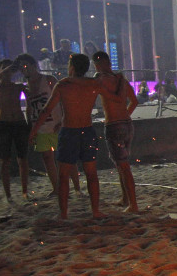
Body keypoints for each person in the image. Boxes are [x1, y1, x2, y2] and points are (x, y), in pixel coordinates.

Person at [29, 54, 107, 220]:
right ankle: (95, 211)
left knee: (63, 175)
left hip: (70, 132)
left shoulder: (64, 85)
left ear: (71, 66)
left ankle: (63, 213)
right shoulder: (93, 84)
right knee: (91, 174)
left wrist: (34, 130)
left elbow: (46, 110)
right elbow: (111, 95)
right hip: (87, 130)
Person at [18, 53, 80, 196]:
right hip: (39, 125)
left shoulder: (48, 80)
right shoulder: (27, 86)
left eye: (26, 66)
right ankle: (57, 188)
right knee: (47, 157)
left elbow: (64, 99)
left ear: (34, 66)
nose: (23, 69)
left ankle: (77, 188)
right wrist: (31, 126)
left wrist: (64, 119)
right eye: (21, 68)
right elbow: (29, 106)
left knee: (66, 157)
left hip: (56, 123)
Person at [93, 51, 138, 213]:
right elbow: (134, 101)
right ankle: (125, 198)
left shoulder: (101, 80)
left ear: (98, 64)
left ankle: (133, 204)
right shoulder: (122, 80)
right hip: (127, 124)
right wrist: (124, 114)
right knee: (121, 163)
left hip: (114, 125)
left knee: (124, 166)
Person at [0, 58, 30, 201]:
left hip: (19, 122)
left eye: (9, 69)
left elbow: (31, 96)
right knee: (4, 160)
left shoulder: (17, 87)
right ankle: (8, 194)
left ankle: (24, 192)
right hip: (3, 123)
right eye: (4, 69)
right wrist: (1, 73)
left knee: (22, 159)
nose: (6, 72)